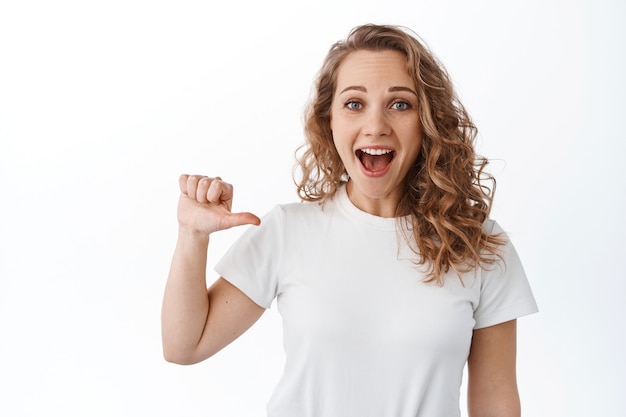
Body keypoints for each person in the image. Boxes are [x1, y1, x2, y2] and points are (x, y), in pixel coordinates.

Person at [161, 24, 538, 417]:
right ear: (330, 120)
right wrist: (191, 235)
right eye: (354, 104)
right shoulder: (287, 231)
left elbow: (495, 404)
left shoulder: (479, 246)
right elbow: (184, 346)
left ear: (428, 122)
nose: (375, 125)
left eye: (400, 104)